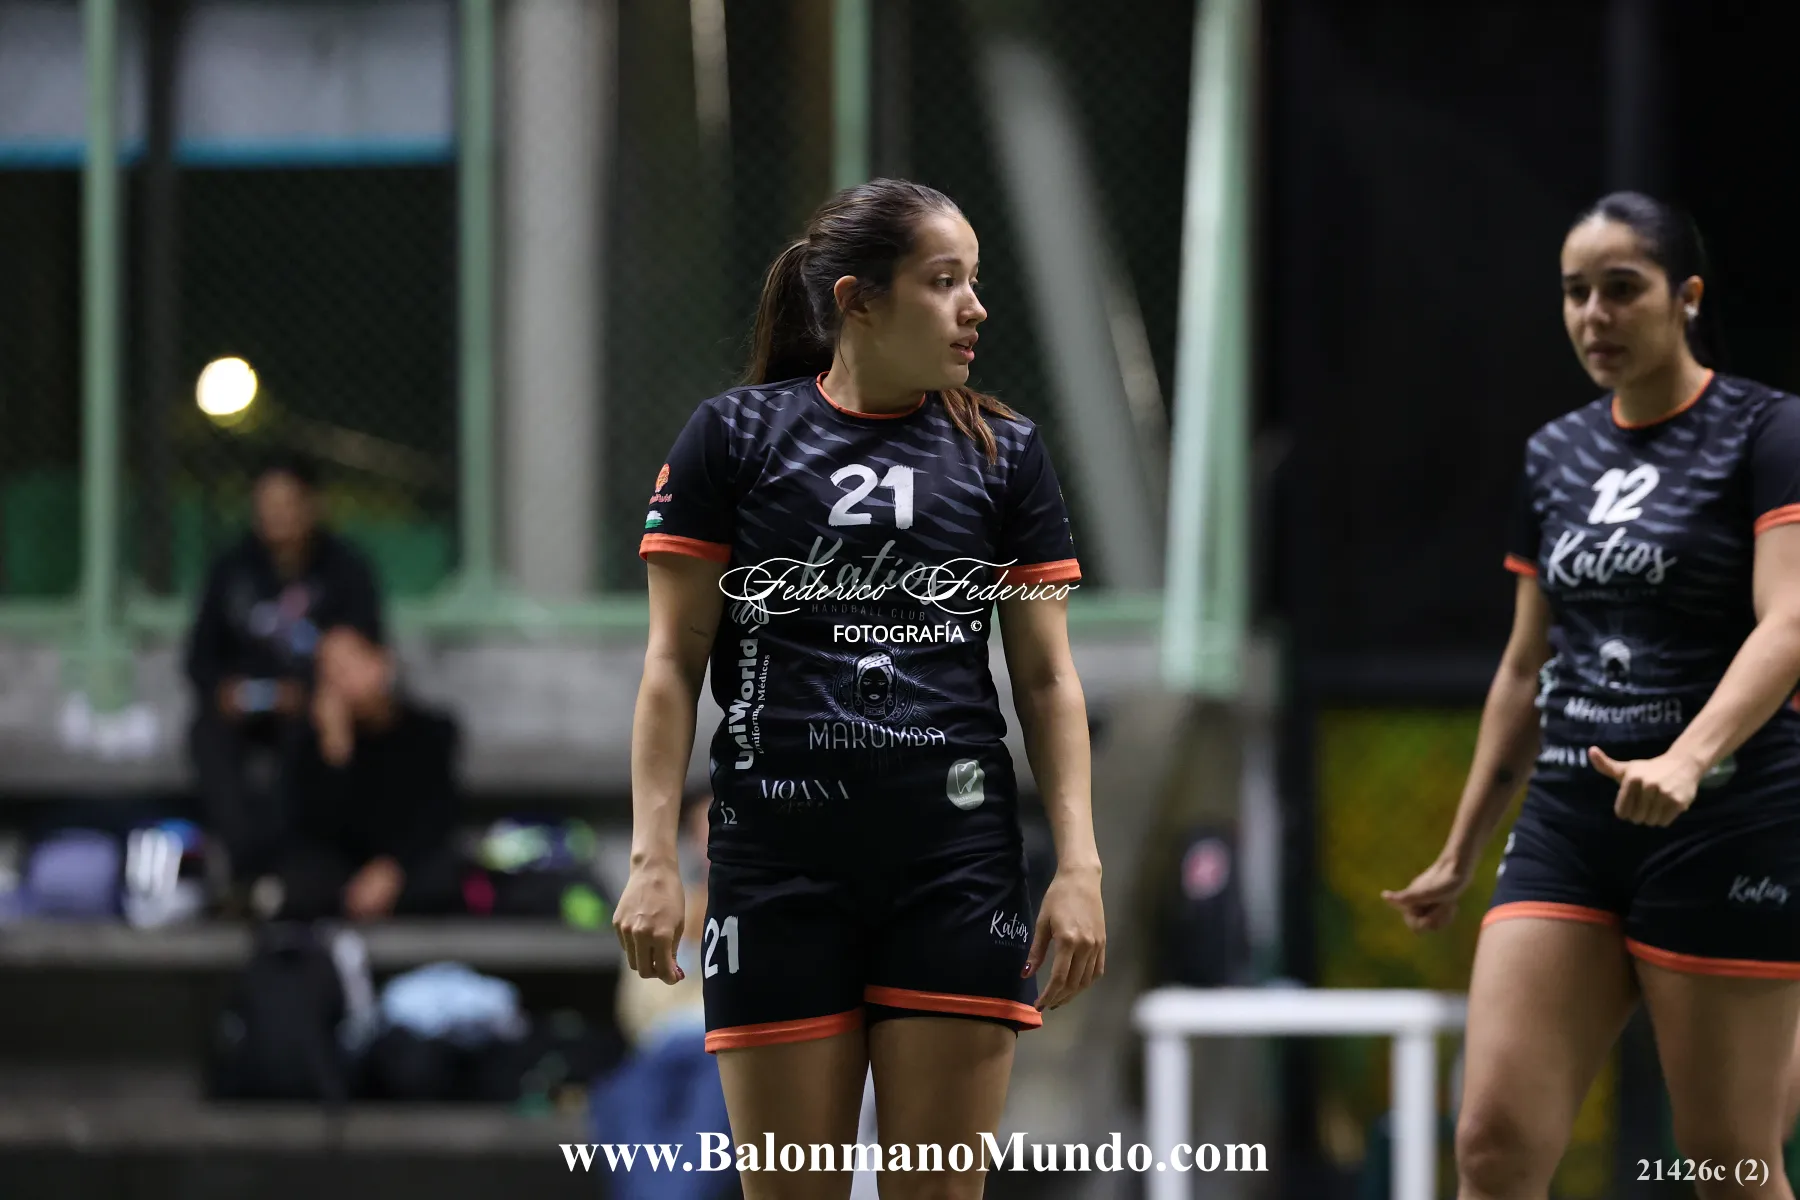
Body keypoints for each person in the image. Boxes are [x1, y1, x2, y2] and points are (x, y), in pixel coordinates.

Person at [612, 178, 1105, 1199]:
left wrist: (1081, 867)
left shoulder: (1005, 453)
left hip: (955, 870)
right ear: (857, 299)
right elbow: (669, 666)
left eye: (975, 280)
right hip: (776, 871)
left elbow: (1048, 677)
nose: (975, 308)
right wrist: (654, 859)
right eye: (945, 281)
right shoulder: (732, 438)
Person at [1385, 192, 1800, 1200]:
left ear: (1686, 296)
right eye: (1576, 293)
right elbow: (1525, 666)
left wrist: (1687, 761)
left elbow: (1789, 621)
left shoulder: (1769, 430)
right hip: (1570, 820)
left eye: (1622, 289)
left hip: (1727, 820)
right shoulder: (1554, 453)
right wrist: (1461, 847)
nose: (1594, 316)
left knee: (1728, 1167)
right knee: (1491, 1144)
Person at [184, 453, 386, 886]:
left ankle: (294, 864)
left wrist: (312, 691)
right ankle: (243, 863)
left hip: (312, 705)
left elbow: (366, 653)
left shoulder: (345, 569)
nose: (277, 515)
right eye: (267, 504)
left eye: (287, 503)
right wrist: (222, 689)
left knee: (315, 739)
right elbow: (200, 656)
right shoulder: (232, 568)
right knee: (208, 736)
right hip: (241, 708)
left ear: (312, 505)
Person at [266, 626, 464, 923]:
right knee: (301, 882)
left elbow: (436, 816)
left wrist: (392, 869)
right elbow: (312, 830)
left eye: (347, 666)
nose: (339, 681)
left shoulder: (429, 732)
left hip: (404, 866)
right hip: (342, 871)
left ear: (381, 663)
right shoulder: (309, 741)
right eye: (328, 672)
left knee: (443, 874)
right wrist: (336, 752)